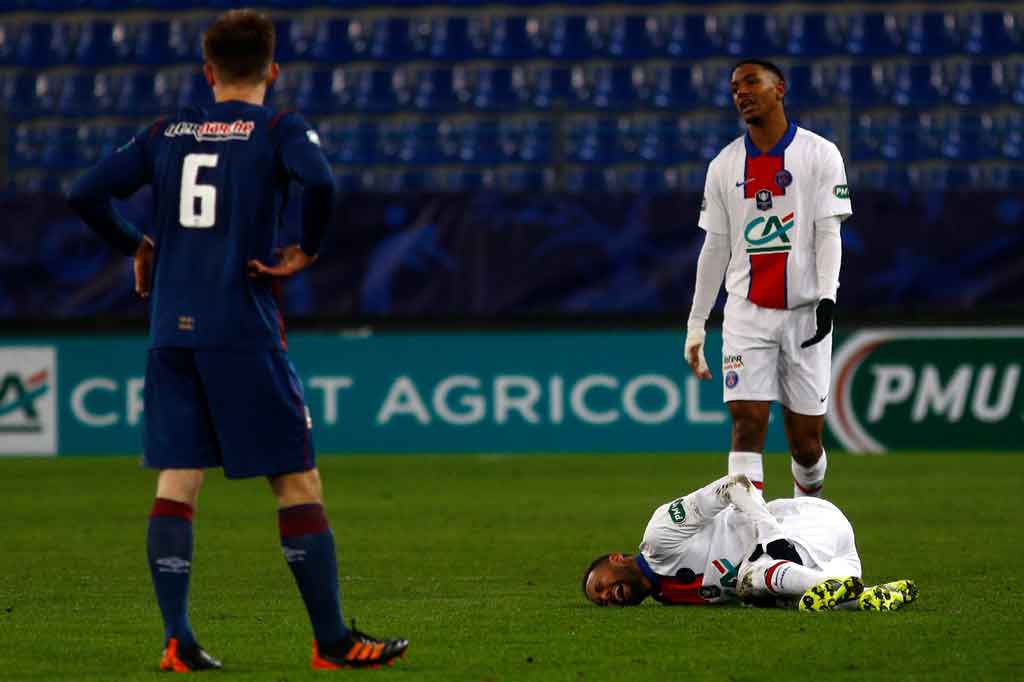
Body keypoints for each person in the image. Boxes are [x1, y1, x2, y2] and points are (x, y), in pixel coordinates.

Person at [66, 9, 407, 672]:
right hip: (241, 329)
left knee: (179, 477)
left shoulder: (166, 131)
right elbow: (323, 181)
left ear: (207, 70)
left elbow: (85, 192)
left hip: (170, 331)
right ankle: (332, 640)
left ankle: (177, 637)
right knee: (297, 480)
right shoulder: (277, 127)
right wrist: (306, 248)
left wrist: (138, 244)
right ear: (273, 70)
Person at [684, 59, 852, 497]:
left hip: (804, 313)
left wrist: (827, 299)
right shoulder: (723, 166)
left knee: (806, 444)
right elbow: (715, 247)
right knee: (746, 423)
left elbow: (827, 232)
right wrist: (697, 323)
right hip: (746, 313)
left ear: (780, 88)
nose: (742, 92)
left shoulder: (820, 154)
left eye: (751, 82)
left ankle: (805, 527)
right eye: (735, 86)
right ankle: (755, 543)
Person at [582, 473, 917, 611]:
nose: (606, 597)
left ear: (616, 559)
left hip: (806, 524)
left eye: (600, 586)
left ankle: (836, 584)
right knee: (789, 601)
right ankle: (872, 595)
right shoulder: (667, 595)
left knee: (752, 576)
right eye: (600, 601)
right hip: (829, 558)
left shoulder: (660, 536)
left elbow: (733, 484)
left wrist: (772, 536)